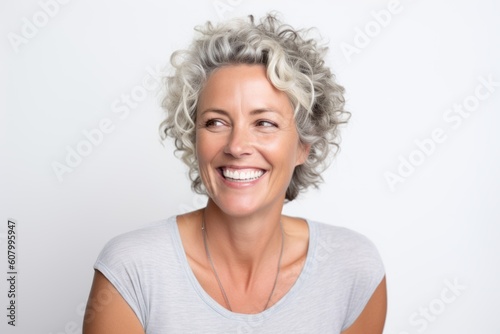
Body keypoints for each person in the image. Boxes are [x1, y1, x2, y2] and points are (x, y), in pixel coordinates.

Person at [83, 13, 387, 334]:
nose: (237, 146)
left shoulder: (352, 268)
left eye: (264, 123)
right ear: (194, 136)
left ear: (303, 146)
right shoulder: (131, 268)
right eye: (216, 122)